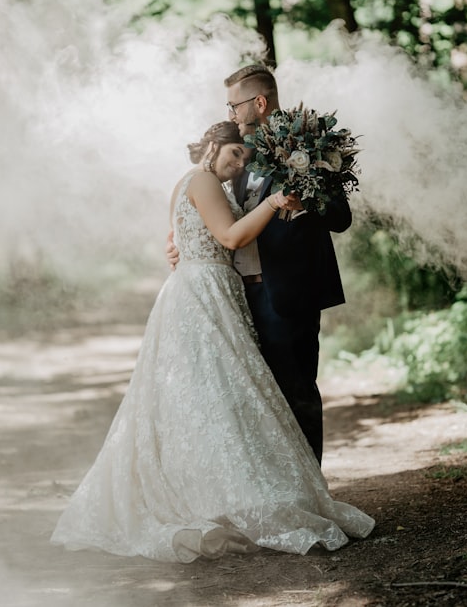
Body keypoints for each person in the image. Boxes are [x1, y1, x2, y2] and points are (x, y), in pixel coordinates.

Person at [50, 121, 374, 563]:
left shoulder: (199, 183)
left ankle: (220, 495)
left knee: (216, 401)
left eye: (244, 156)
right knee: (219, 396)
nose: (240, 163)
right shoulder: (202, 180)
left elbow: (187, 236)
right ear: (213, 147)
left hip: (213, 292)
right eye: (233, 154)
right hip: (202, 295)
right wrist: (277, 201)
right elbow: (229, 236)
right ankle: (221, 500)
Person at [167, 65, 352, 464]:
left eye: (234, 105)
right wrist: (183, 245)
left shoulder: (308, 142)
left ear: (260, 103)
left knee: (296, 392)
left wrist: (308, 202)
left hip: (287, 292)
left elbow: (340, 216)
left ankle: (311, 493)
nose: (230, 113)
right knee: (250, 399)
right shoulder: (234, 154)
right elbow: (212, 218)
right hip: (233, 296)